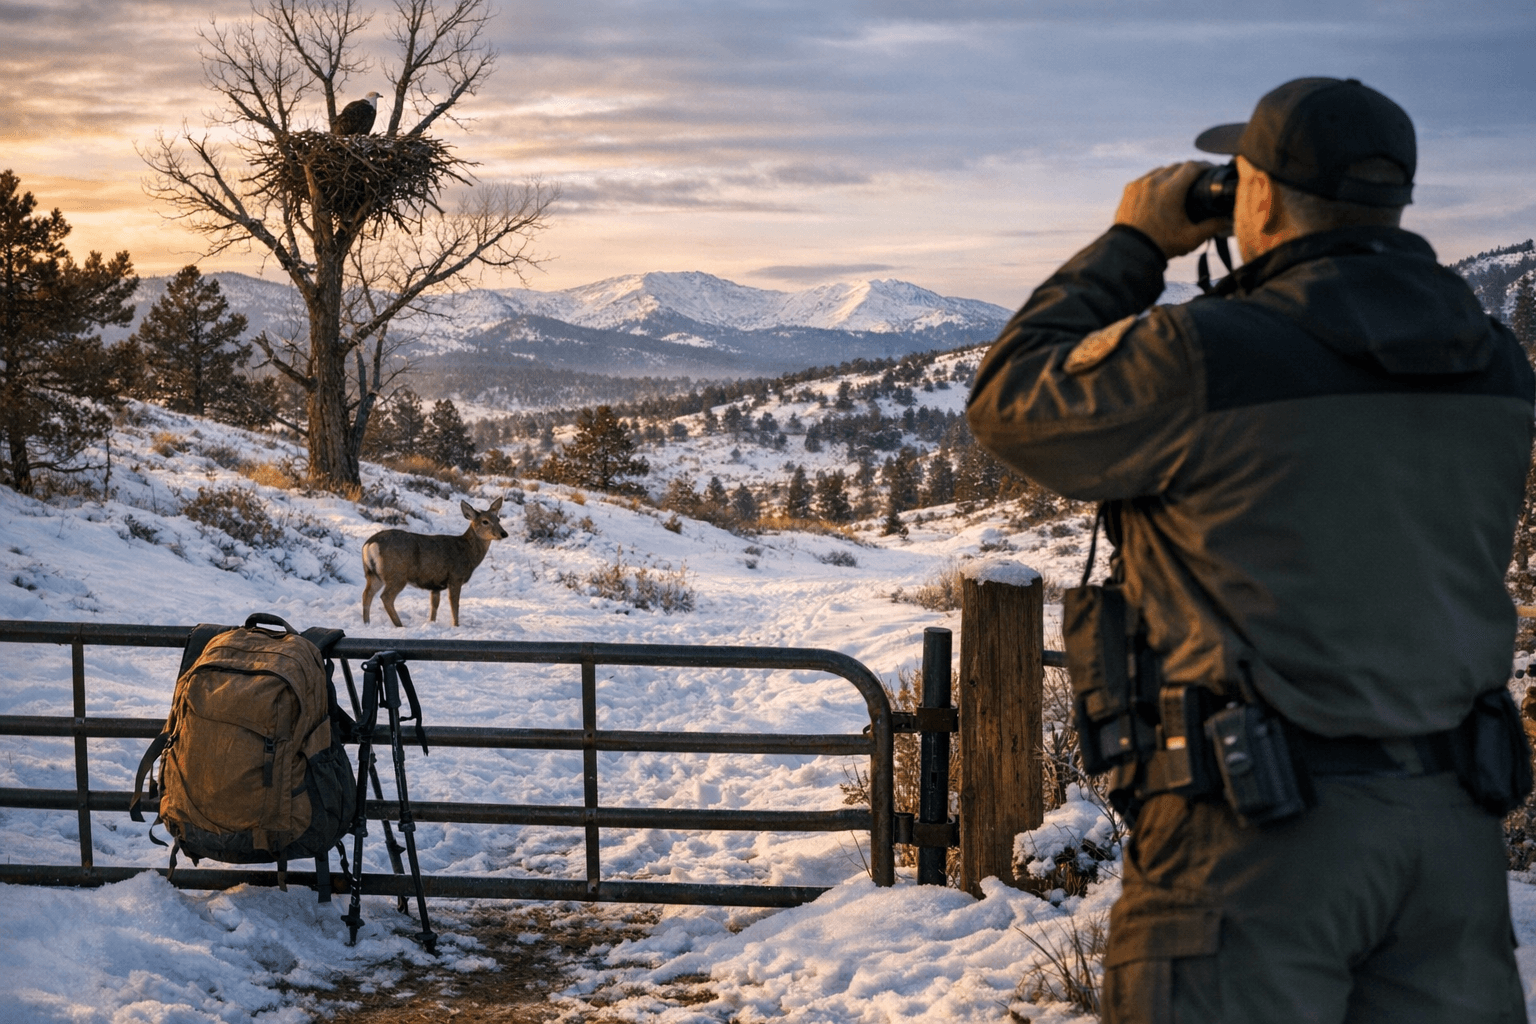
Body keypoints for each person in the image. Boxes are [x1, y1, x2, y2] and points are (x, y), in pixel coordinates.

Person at [966, 77, 1533, 1023]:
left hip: (1257, 834)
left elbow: (1009, 404)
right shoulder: (1493, 362)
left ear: (1256, 195)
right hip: (1452, 834)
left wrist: (1136, 243)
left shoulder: (1210, 355)